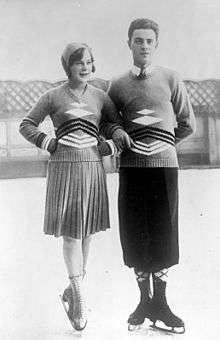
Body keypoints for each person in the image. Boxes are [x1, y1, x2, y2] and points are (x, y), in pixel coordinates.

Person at [19, 42, 131, 331]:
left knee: (87, 232)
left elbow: (113, 125)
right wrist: (49, 142)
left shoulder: (100, 96)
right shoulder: (52, 95)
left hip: (92, 168)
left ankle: (74, 288)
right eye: (79, 62)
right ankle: (79, 295)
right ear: (67, 66)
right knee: (71, 234)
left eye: (89, 62)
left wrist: (111, 141)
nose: (85, 67)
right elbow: (27, 124)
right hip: (64, 167)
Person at [108, 18, 196, 334]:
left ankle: (161, 304)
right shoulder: (116, 85)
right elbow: (107, 122)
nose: (144, 46)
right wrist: (117, 131)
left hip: (164, 169)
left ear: (156, 45)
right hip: (131, 171)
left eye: (149, 41)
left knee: (163, 233)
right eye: (138, 41)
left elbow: (187, 123)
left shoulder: (171, 79)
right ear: (129, 43)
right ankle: (143, 303)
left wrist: (162, 145)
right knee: (135, 234)